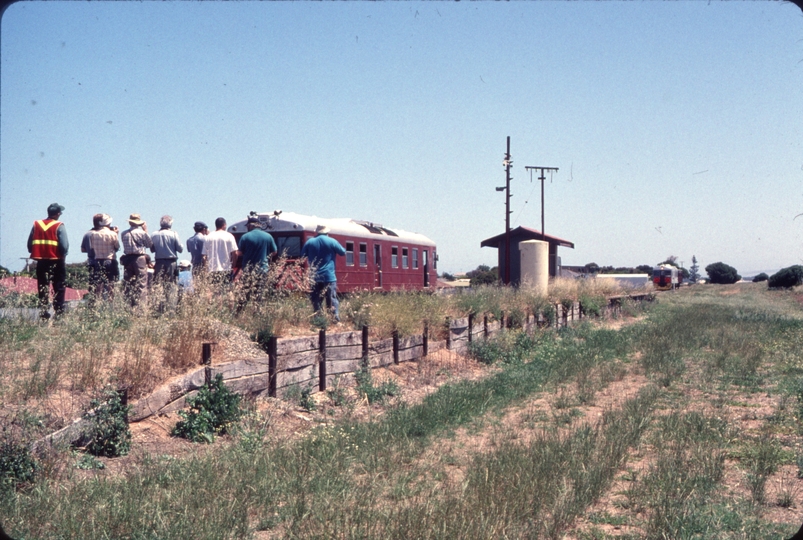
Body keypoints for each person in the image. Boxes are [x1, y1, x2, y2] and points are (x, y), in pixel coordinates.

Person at [27, 203, 69, 319]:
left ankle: (44, 311)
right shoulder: (59, 225)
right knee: (59, 286)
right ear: (58, 214)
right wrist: (63, 255)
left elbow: (30, 244)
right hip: (56, 260)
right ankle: (59, 312)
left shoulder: (37, 224)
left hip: (41, 261)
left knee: (43, 286)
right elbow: (64, 245)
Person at [301, 224, 346, 322]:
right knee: (331, 298)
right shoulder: (332, 241)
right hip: (328, 276)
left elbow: (302, 256)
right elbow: (343, 252)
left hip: (314, 276)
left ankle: (318, 318)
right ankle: (334, 319)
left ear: (317, 232)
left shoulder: (310, 242)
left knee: (316, 299)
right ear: (327, 232)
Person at [236, 214, 277, 310]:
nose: (247, 228)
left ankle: (239, 313)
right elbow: (274, 252)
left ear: (251, 225)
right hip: (263, 269)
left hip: (248, 270)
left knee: (245, 293)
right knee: (259, 293)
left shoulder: (245, 237)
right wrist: (266, 255)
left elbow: (240, 253)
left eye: (247, 226)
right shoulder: (268, 236)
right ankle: (257, 313)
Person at [81, 213, 120, 303]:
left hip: (97, 259)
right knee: (110, 283)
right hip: (109, 260)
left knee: (99, 283)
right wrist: (116, 234)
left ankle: (97, 301)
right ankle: (110, 303)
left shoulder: (93, 234)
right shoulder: (112, 234)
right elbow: (117, 247)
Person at [120, 213, 153, 308]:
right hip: (139, 258)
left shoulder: (123, 233)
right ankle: (141, 308)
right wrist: (145, 230)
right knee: (142, 284)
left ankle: (128, 306)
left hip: (128, 258)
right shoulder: (142, 233)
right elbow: (149, 244)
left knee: (128, 283)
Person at [201, 217, 238, 286]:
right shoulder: (229, 236)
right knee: (226, 291)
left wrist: (206, 269)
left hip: (212, 270)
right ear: (224, 225)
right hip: (226, 269)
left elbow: (204, 256)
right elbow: (235, 253)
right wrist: (233, 265)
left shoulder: (208, 237)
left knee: (215, 292)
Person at [150, 215, 183, 284]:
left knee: (159, 282)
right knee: (171, 283)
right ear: (170, 223)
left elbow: (152, 249)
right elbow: (180, 249)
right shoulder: (174, 234)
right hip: (171, 261)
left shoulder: (154, 234)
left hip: (159, 261)